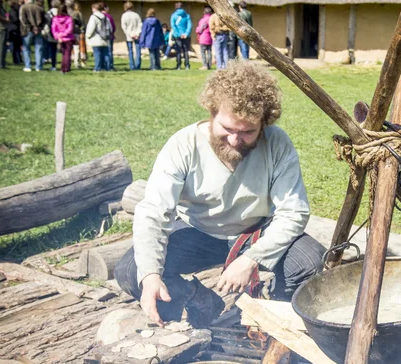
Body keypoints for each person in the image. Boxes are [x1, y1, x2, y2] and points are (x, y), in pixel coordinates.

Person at [114, 61, 325, 328]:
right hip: (196, 231)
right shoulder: (183, 145)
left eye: (248, 131)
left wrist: (253, 258)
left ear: (264, 124)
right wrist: (151, 275)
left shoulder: (277, 143)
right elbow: (153, 212)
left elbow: (293, 211)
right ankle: (198, 301)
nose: (236, 140)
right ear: (213, 112)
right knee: (133, 271)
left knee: (310, 262)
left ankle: (274, 323)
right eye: (227, 128)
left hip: (253, 232)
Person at [19, 0, 44, 71]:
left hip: (27, 30)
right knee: (38, 48)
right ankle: (38, 66)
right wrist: (38, 27)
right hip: (38, 30)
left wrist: (31, 27)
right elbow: (44, 19)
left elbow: (22, 19)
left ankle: (28, 66)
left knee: (26, 48)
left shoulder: (23, 7)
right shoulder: (39, 8)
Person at [85, 1, 109, 72]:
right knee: (105, 54)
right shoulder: (105, 17)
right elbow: (109, 27)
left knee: (97, 54)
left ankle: (97, 68)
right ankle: (106, 67)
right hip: (105, 38)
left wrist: (88, 35)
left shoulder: (93, 17)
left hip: (96, 38)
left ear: (94, 9)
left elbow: (91, 27)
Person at [51, 2, 73, 73]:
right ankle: (65, 68)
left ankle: (64, 68)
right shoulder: (69, 19)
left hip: (60, 39)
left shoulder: (55, 19)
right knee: (67, 54)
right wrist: (64, 34)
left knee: (64, 54)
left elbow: (53, 29)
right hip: (68, 38)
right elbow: (70, 29)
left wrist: (58, 35)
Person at [169, 2, 190, 70]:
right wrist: (186, 34)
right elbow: (189, 26)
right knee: (186, 50)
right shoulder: (187, 15)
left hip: (177, 36)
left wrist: (179, 34)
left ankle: (178, 66)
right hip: (186, 36)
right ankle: (187, 65)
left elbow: (173, 26)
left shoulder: (173, 15)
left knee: (178, 51)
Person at [121, 1, 141, 70]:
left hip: (129, 35)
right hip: (137, 35)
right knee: (138, 50)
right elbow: (140, 25)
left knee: (130, 51)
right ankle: (138, 65)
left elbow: (124, 27)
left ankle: (132, 66)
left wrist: (129, 34)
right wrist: (137, 33)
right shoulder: (136, 15)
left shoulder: (124, 15)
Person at [43, 1, 58, 70]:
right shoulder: (62, 13)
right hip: (61, 33)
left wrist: (45, 32)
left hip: (51, 33)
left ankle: (52, 65)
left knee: (51, 49)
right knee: (60, 51)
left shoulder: (48, 13)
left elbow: (46, 23)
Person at [195, 6, 211, 70]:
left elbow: (200, 29)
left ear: (204, 12)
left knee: (203, 52)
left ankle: (205, 65)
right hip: (210, 38)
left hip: (203, 38)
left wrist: (197, 30)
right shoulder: (211, 18)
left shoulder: (204, 20)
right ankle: (209, 65)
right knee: (209, 52)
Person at [70, 1, 85, 68]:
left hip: (70, 32)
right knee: (77, 48)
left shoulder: (70, 14)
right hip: (76, 32)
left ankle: (73, 61)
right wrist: (82, 29)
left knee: (71, 48)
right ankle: (77, 62)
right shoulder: (78, 14)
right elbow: (82, 23)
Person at [8, 0, 22, 64]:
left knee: (16, 46)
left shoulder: (12, 11)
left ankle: (18, 59)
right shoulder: (13, 11)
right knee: (15, 46)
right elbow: (15, 19)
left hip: (14, 29)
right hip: (14, 29)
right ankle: (16, 60)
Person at [102, 2, 114, 69]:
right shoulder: (109, 16)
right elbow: (113, 27)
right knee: (109, 51)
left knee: (102, 52)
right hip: (109, 36)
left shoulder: (96, 16)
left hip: (100, 37)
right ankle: (110, 65)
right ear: (105, 8)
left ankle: (103, 65)